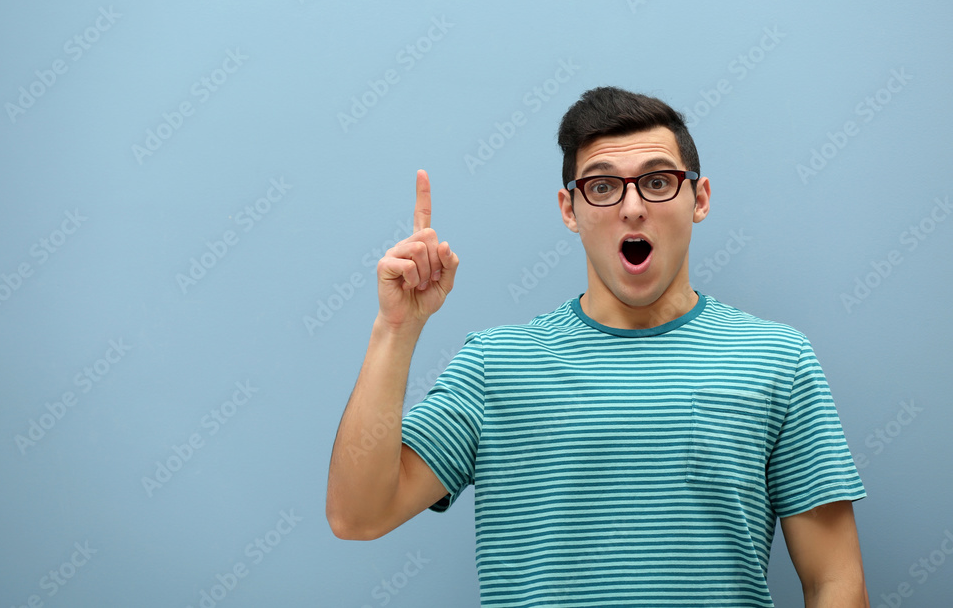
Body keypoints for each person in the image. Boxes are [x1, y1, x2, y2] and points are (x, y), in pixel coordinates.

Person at [327, 87, 869, 607]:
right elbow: (358, 515)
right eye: (603, 186)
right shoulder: (496, 365)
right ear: (570, 209)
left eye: (657, 181)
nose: (632, 207)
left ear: (699, 199)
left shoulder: (777, 360)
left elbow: (834, 581)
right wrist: (396, 329)